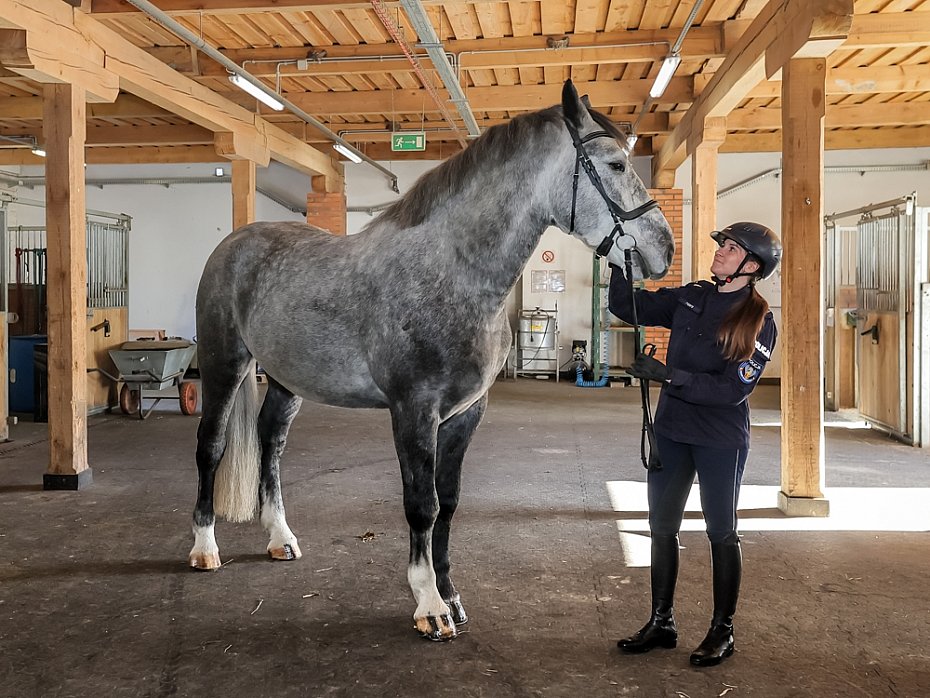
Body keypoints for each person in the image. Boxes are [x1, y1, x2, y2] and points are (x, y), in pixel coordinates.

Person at [608, 221, 781, 667]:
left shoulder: (759, 320)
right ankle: (661, 621)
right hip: (671, 430)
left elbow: (731, 391)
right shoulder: (691, 296)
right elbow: (626, 306)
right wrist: (617, 259)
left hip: (719, 440)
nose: (720, 252)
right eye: (722, 245)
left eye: (730, 248)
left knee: (721, 531)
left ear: (752, 265)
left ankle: (722, 631)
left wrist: (670, 376)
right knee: (662, 527)